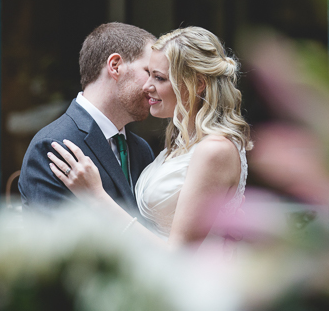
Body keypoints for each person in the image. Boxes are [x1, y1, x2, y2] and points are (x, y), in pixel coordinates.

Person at [47, 26, 250, 249]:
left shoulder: (215, 151)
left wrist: (98, 197)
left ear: (198, 84)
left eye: (159, 77)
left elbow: (178, 257)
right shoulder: (178, 145)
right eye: (149, 74)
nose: (147, 86)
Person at [18, 22, 156, 213]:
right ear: (115, 66)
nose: (153, 86)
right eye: (149, 72)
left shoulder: (142, 150)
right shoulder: (54, 146)